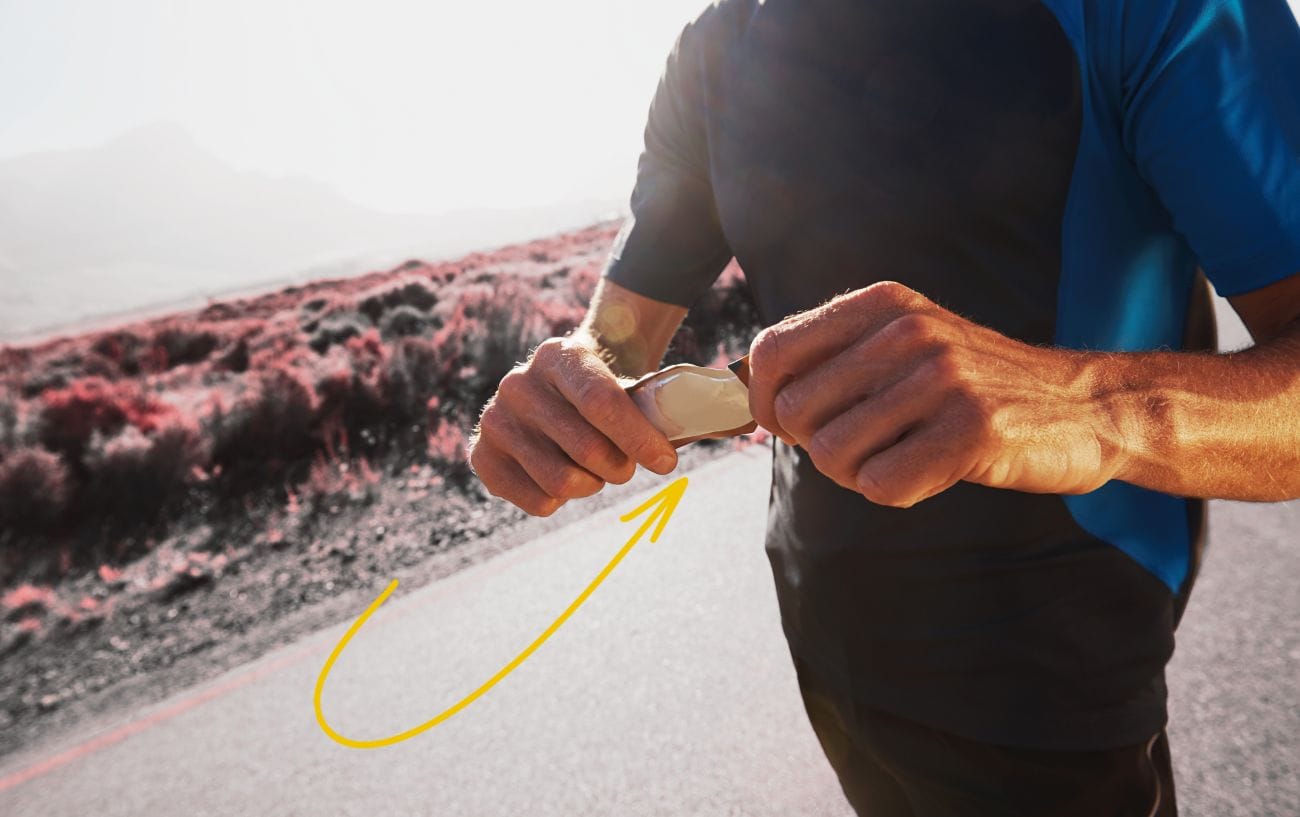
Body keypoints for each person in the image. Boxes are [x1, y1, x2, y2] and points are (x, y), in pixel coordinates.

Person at [467, 1, 1300, 814]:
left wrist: (1085, 407)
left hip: (1048, 671)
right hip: (824, 631)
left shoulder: (1161, 11)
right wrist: (574, 383)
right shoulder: (713, 47)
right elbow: (619, 335)